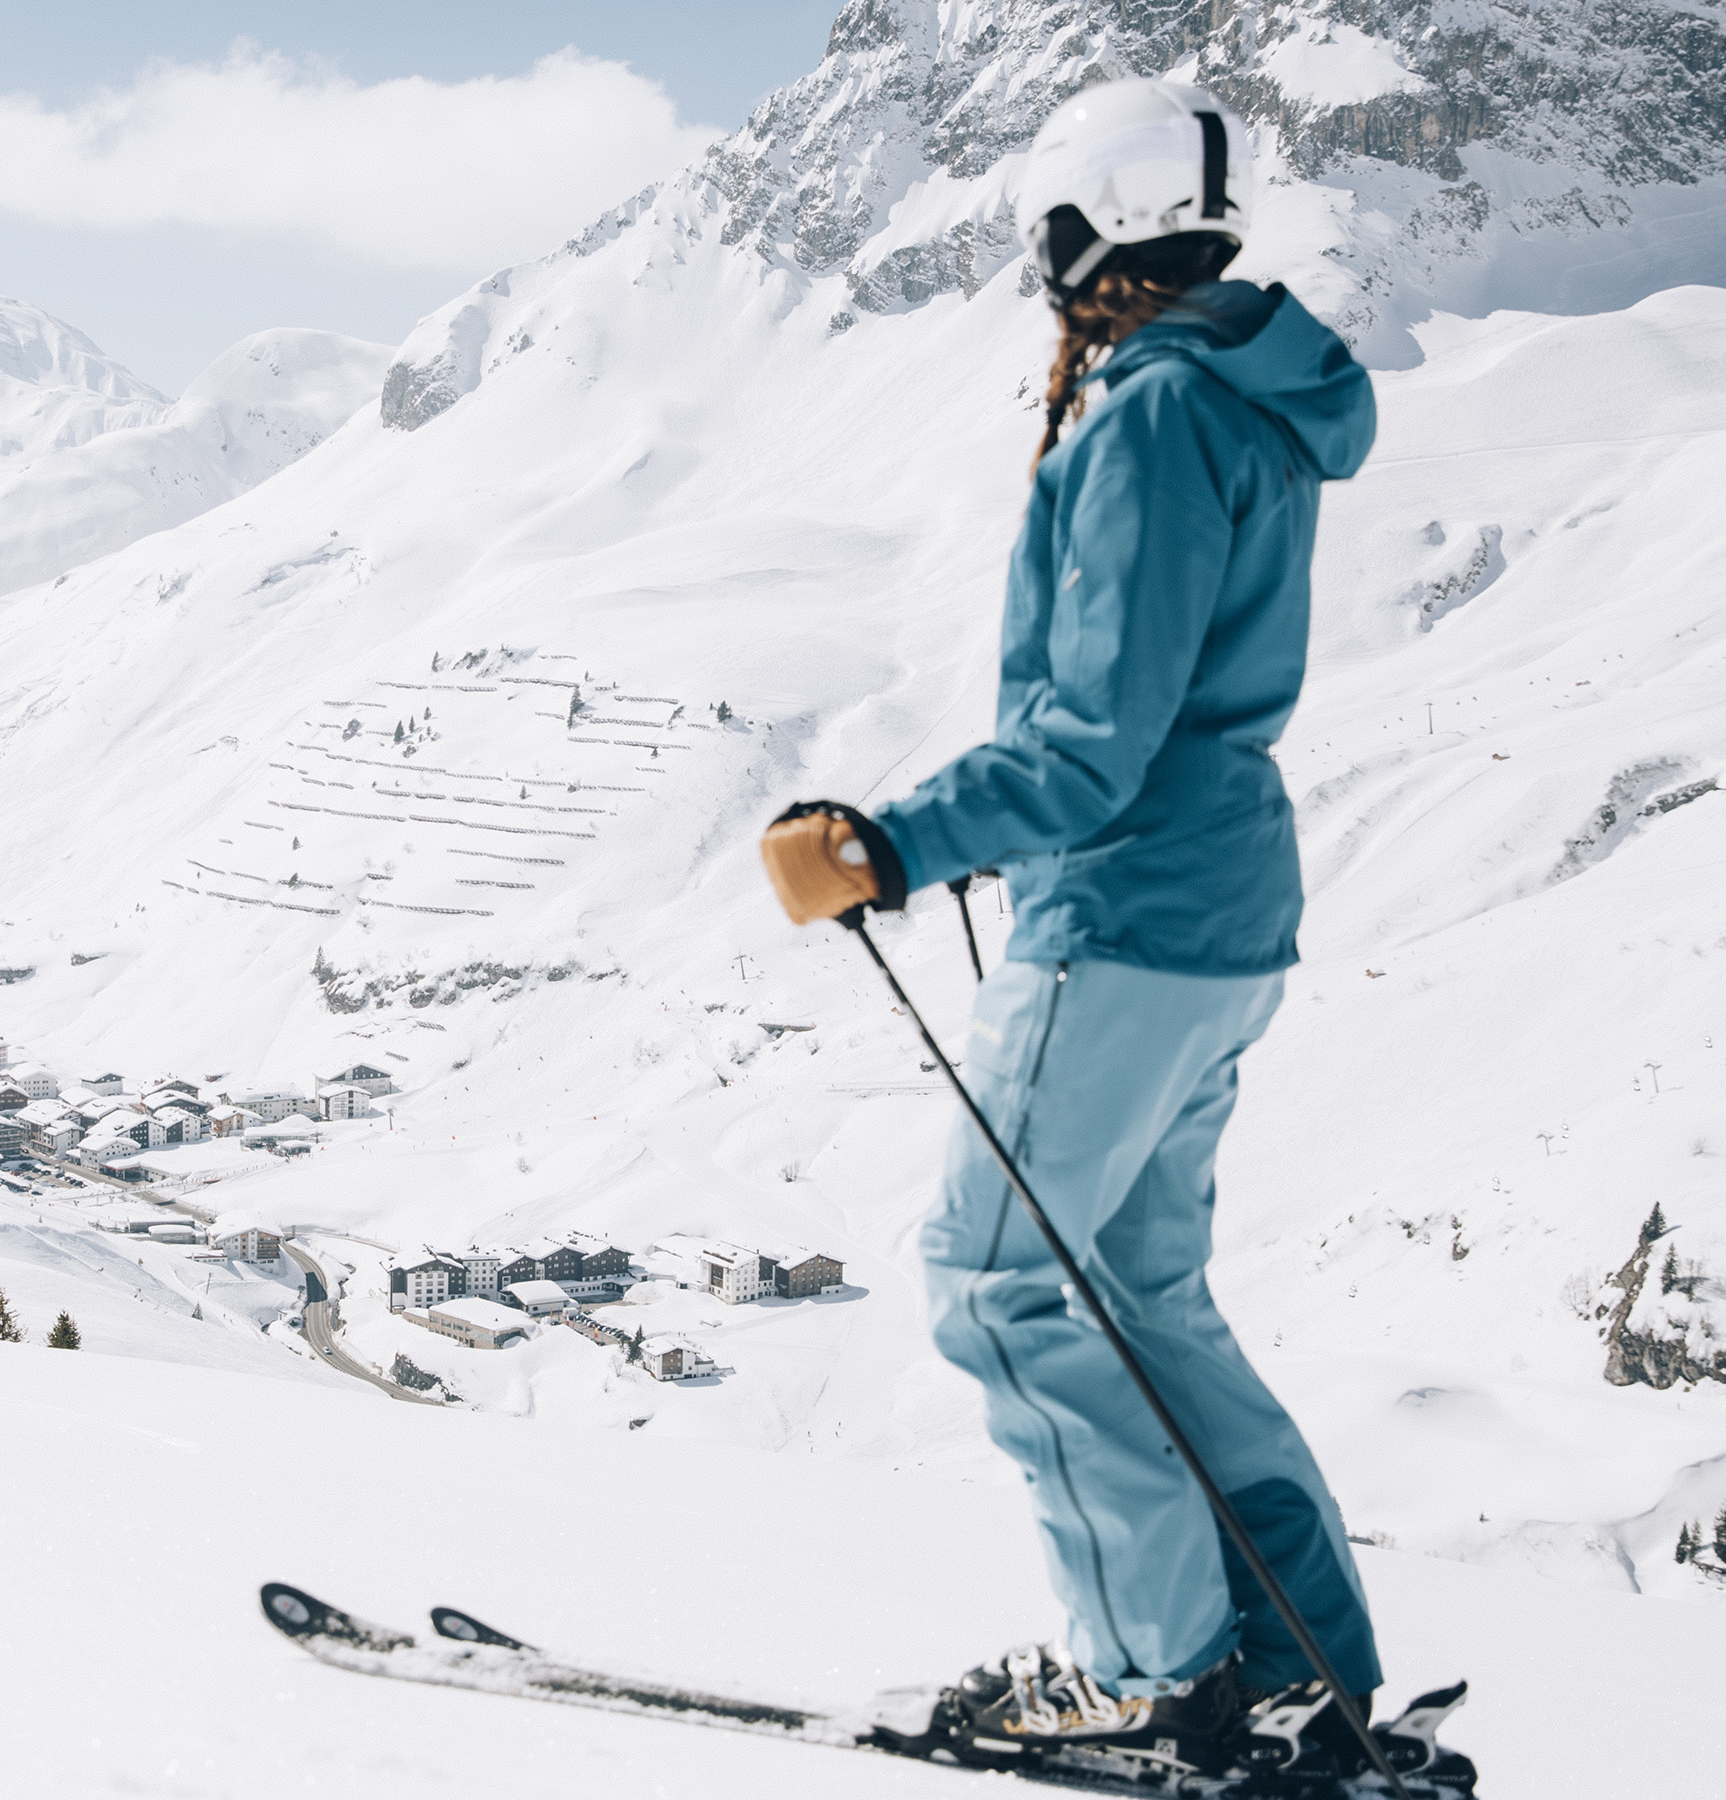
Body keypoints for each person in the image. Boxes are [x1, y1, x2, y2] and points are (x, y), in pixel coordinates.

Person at [760, 80, 1383, 1766]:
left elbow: (1092, 742)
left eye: (1046, 238)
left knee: (998, 1283)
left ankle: (1154, 1673)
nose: (1038, 273)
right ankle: (1294, 1659)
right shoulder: (1250, 397)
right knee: (1139, 1289)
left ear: (1091, 224)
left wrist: (895, 842)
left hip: (1124, 913)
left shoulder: (1152, 417)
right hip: (1223, 907)